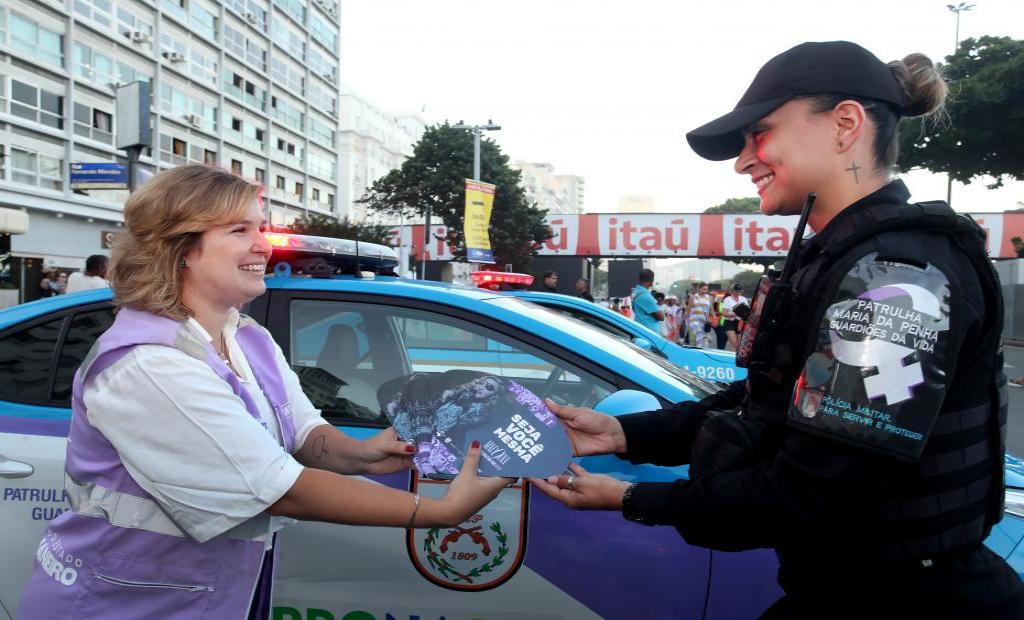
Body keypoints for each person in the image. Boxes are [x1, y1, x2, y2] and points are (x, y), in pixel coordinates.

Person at [530, 41, 1023, 618]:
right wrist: (622, 433)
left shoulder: (896, 277)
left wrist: (634, 498)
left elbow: (822, 488)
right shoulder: (843, 256)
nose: (743, 160)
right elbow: (771, 401)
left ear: (845, 124)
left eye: (759, 133)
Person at [18, 165, 509, 619]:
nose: (264, 245)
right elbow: (277, 489)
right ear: (180, 248)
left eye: (259, 227)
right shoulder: (148, 364)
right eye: (240, 231)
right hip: (120, 603)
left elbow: (301, 430)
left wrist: (359, 453)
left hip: (205, 593)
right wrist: (440, 512)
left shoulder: (246, 336)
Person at [631, 268, 662, 333]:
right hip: (650, 332)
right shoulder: (645, 296)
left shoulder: (635, 292)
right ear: (652, 280)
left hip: (642, 328)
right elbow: (661, 317)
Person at [684, 281, 713, 348]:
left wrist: (714, 318)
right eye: (704, 289)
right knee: (700, 335)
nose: (705, 291)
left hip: (704, 322)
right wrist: (683, 320)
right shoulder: (693, 297)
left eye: (706, 289)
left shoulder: (709, 298)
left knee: (701, 341)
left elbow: (712, 311)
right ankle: (705, 337)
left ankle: (701, 352)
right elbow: (688, 310)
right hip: (694, 320)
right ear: (699, 289)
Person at [721, 283, 749, 351]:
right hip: (729, 322)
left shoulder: (743, 299)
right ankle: (731, 360)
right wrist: (736, 313)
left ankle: (737, 359)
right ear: (732, 291)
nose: (738, 292)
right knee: (733, 343)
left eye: (739, 291)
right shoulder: (727, 299)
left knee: (739, 345)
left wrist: (743, 313)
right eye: (736, 291)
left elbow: (748, 311)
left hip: (740, 323)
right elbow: (724, 313)